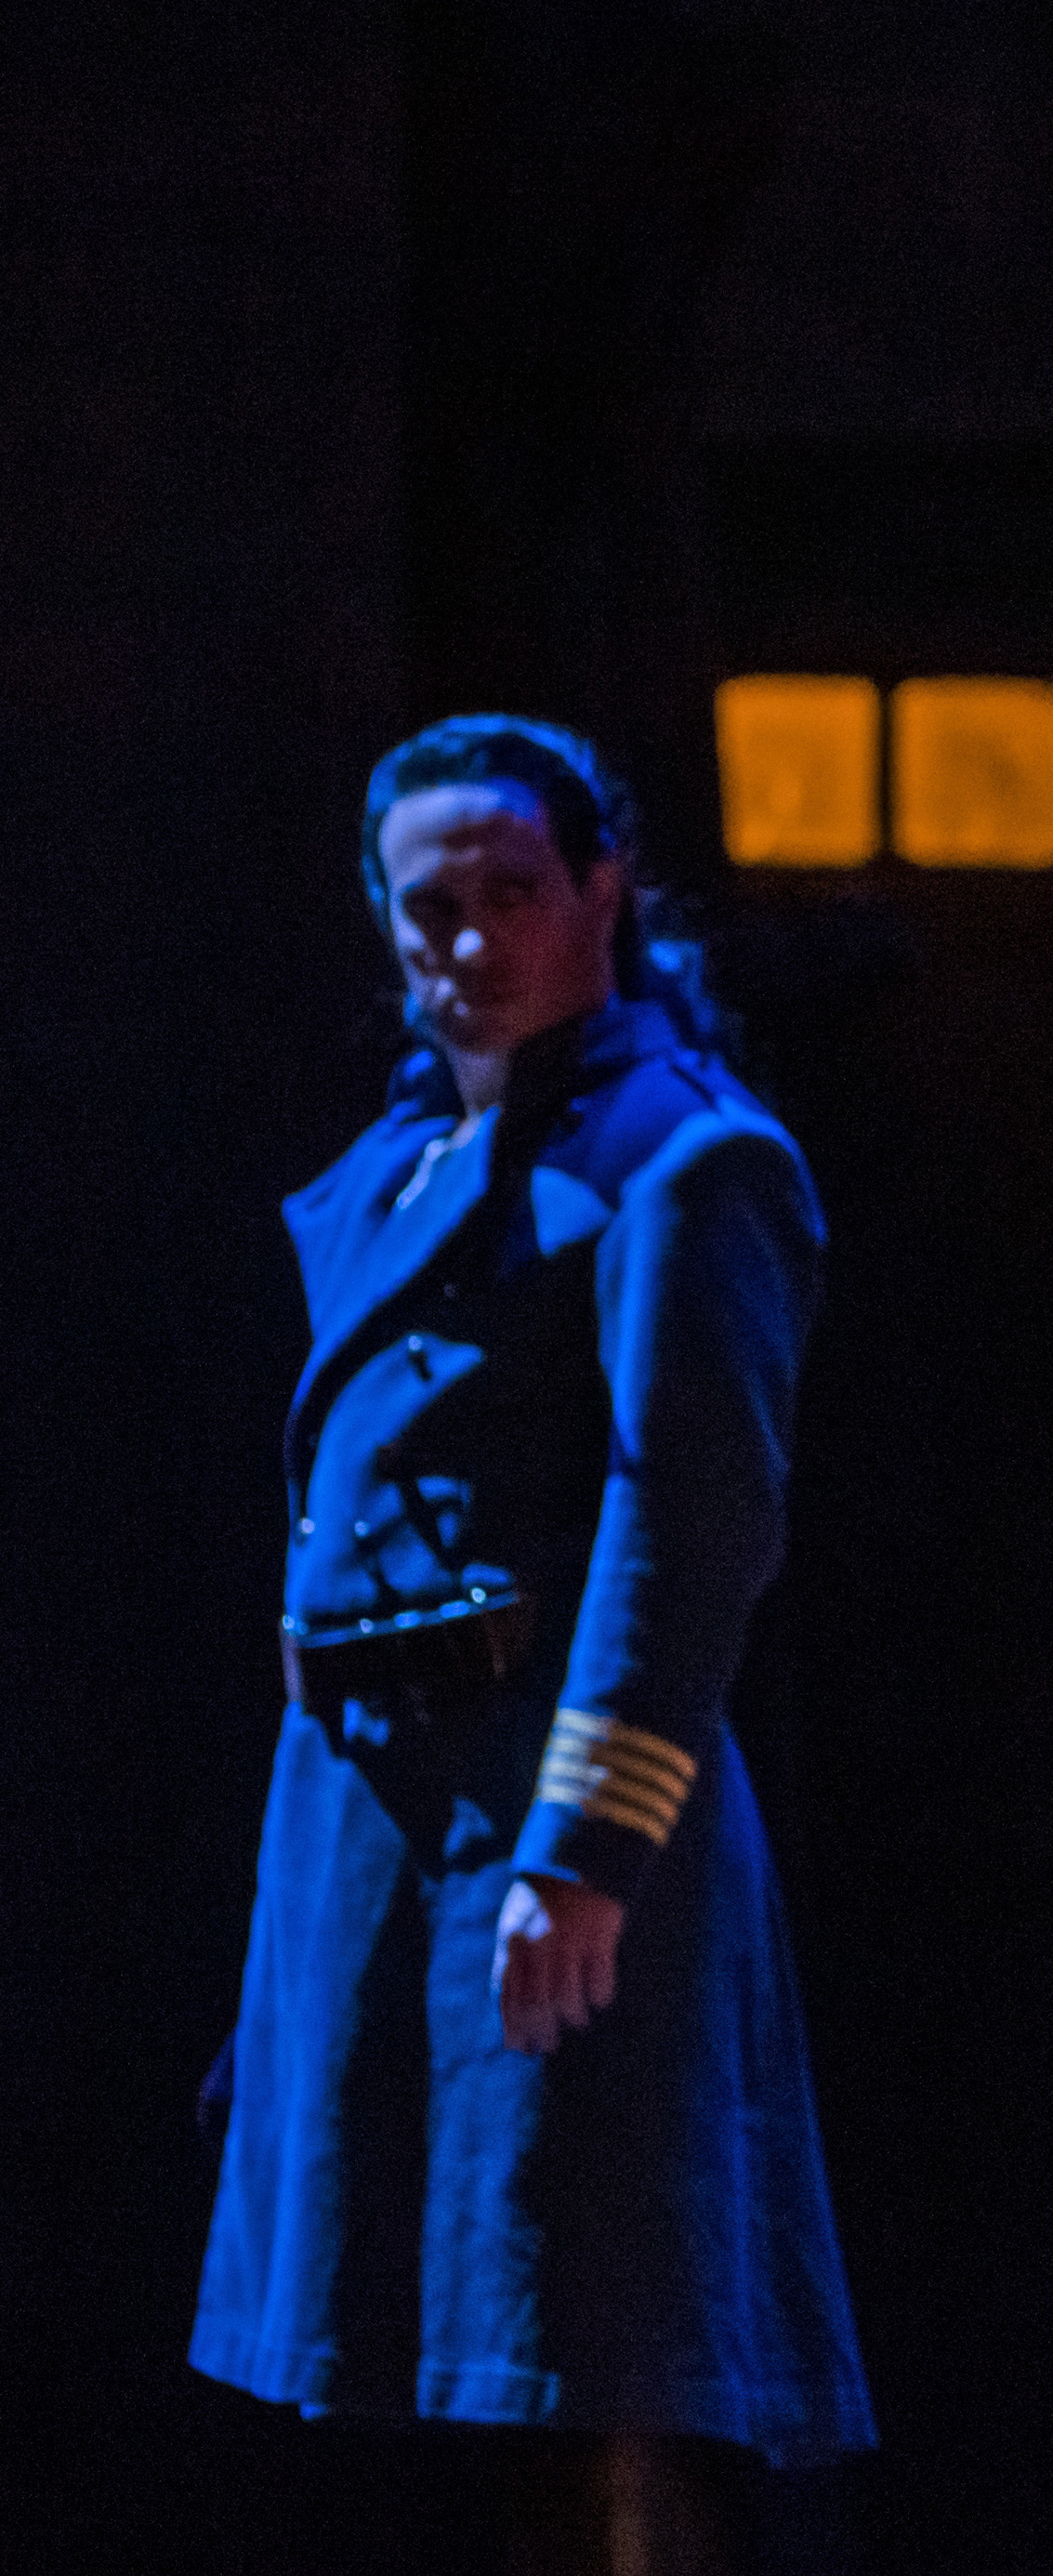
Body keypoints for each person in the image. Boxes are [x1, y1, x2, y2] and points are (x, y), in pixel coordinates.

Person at [192, 716, 872, 2568]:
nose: (471, 939)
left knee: (592, 2339)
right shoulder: (410, 1162)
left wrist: (583, 1847)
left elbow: (691, 1519)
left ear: (603, 888)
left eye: (512, 892)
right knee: (425, 2365)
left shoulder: (680, 1161)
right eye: (432, 907)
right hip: (376, 1829)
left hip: (542, 1829)